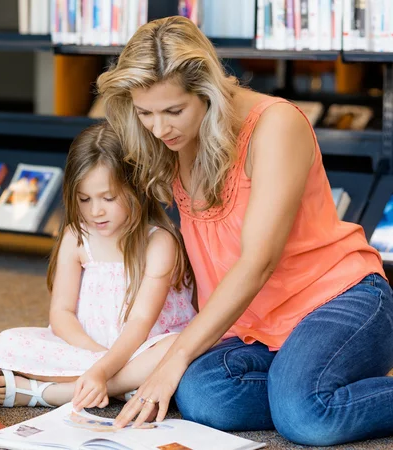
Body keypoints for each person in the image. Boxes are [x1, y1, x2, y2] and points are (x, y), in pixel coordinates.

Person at [96, 15, 393, 447]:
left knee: (306, 417)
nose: (159, 129)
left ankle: (309, 388)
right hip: (254, 325)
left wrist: (176, 355)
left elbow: (258, 261)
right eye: (146, 114)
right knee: (202, 397)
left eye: (173, 111)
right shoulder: (172, 139)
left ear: (208, 93)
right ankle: (309, 382)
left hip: (338, 300)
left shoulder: (276, 125)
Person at [0, 121, 195, 410]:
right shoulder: (77, 236)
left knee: (178, 348)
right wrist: (98, 358)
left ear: (136, 188)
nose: (95, 211)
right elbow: (61, 312)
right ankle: (123, 384)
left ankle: (57, 393)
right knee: (6, 342)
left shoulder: (158, 243)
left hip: (142, 347)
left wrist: (103, 371)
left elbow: (139, 323)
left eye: (108, 198)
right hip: (87, 347)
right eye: (84, 199)